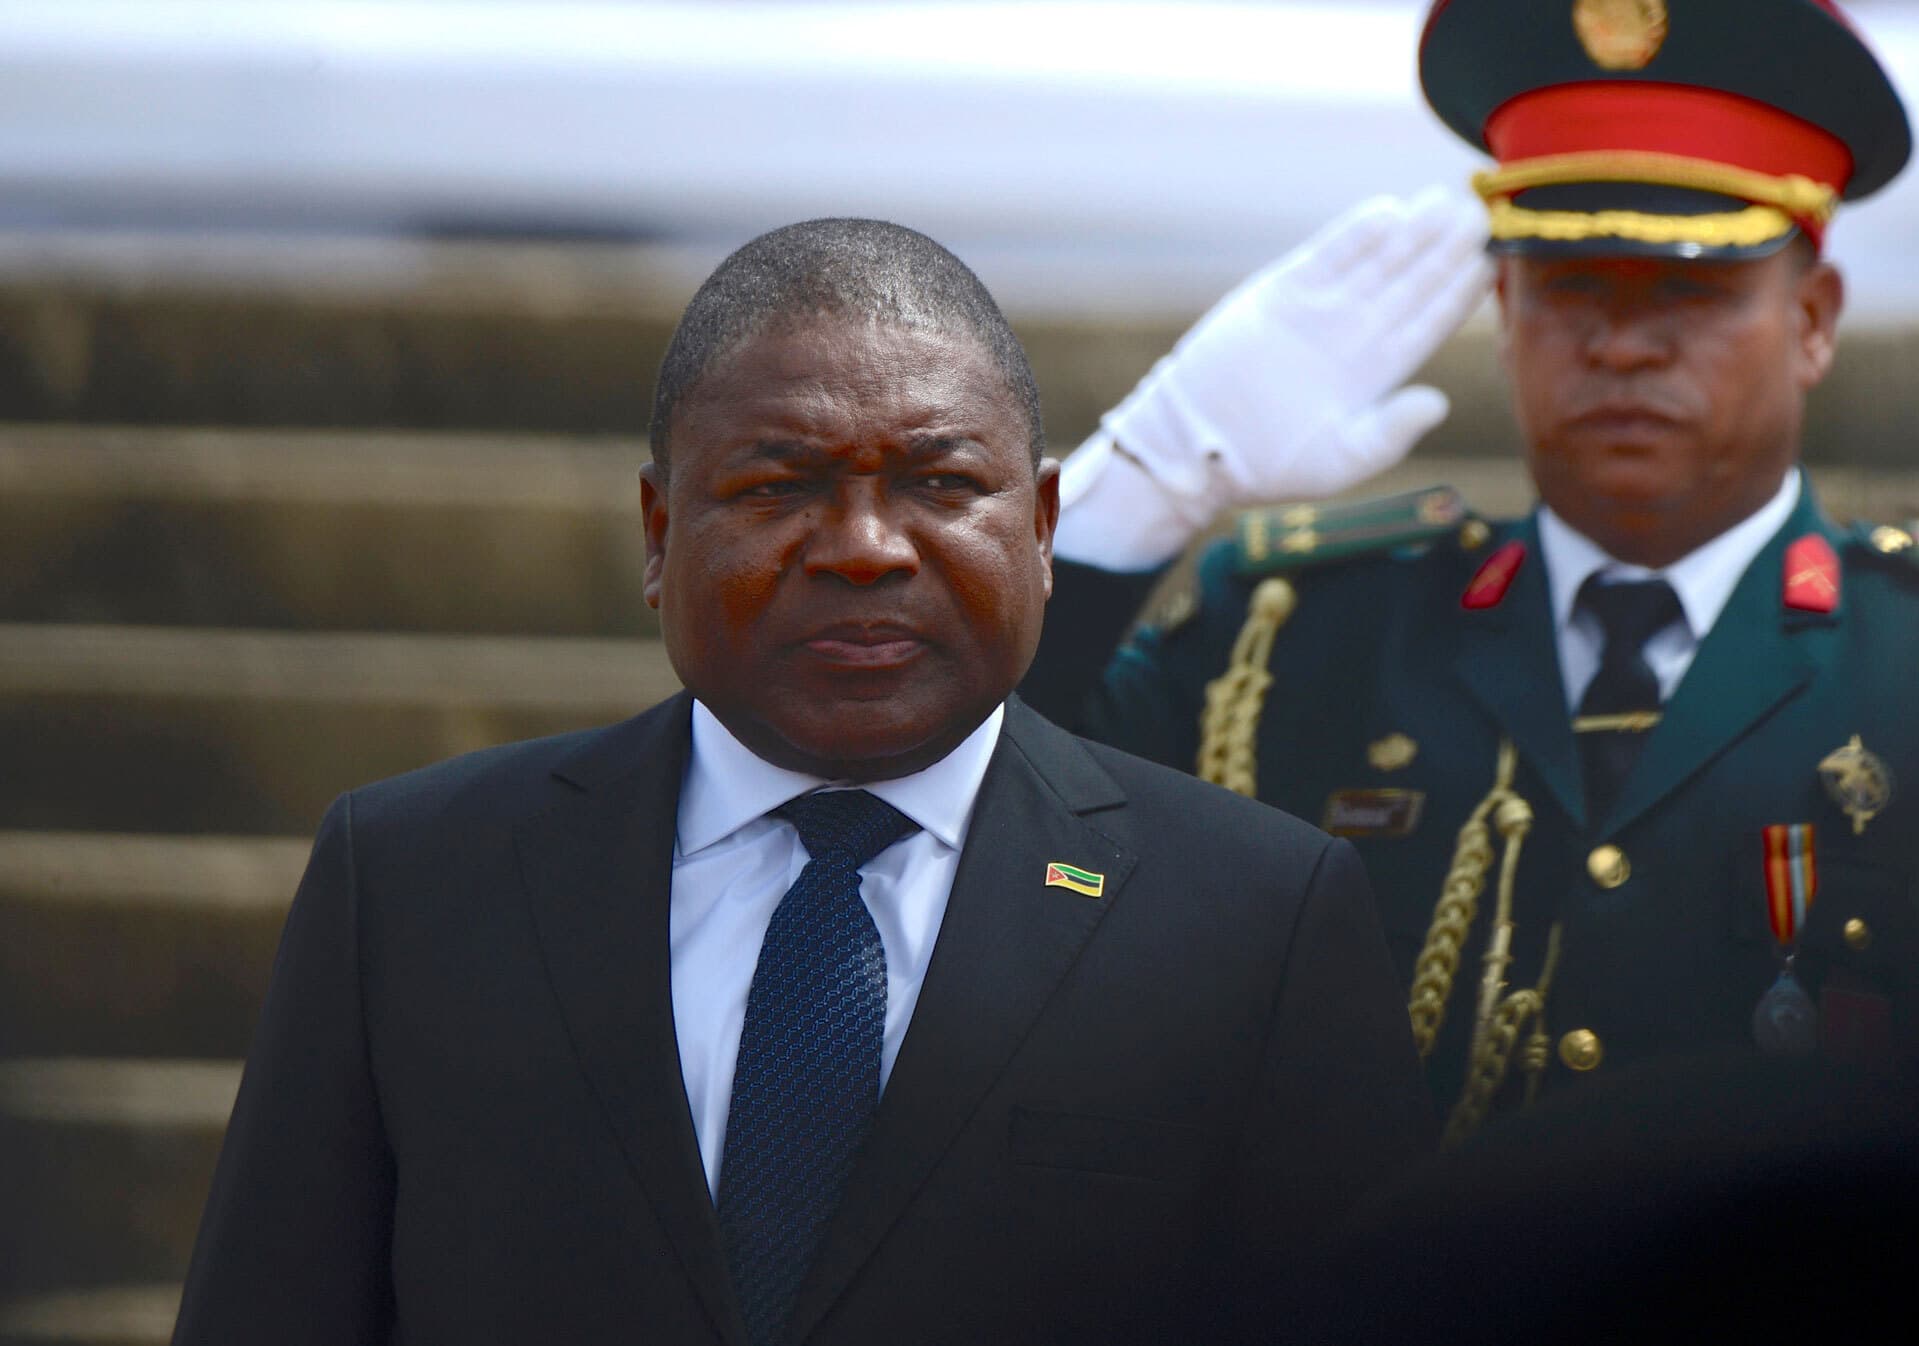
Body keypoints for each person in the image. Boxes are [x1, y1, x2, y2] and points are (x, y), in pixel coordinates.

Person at [172, 219, 1432, 1346]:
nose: (866, 548)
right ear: (661, 536)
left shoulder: (1254, 917)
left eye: (942, 484)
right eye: (778, 488)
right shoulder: (411, 879)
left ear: (1044, 526)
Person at [1023, 0, 1919, 1140]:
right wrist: (1138, 484)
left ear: (1815, 320)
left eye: (1691, 287)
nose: (1623, 342)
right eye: (1572, 281)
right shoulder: (1290, 634)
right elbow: (996, 816)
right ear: (1504, 303)